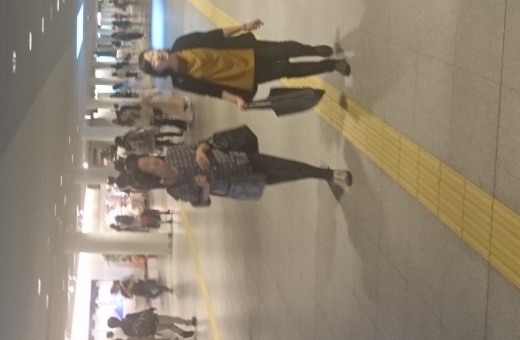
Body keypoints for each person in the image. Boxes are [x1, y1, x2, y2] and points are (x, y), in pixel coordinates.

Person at [140, 18, 348, 109]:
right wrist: (236, 100)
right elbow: (212, 91)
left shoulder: (181, 43)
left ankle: (313, 50)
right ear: (157, 70)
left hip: (246, 50)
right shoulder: (180, 81)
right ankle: (331, 65)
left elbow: (214, 35)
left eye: (152, 53)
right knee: (288, 70)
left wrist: (243, 27)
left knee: (284, 49)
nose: (156, 56)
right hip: (245, 76)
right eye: (152, 61)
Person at [126, 125, 353, 204]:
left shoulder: (174, 153)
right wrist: (204, 186)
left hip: (238, 159)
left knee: (284, 165)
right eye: (149, 166)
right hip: (237, 182)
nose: (154, 161)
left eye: (149, 158)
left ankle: (329, 174)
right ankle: (317, 173)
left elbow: (202, 143)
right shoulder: (175, 189)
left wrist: (201, 149)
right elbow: (202, 202)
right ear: (152, 177)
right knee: (282, 176)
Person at [108, 307, 198, 339]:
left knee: (169, 326)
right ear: (116, 319)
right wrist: (149, 310)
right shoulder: (127, 318)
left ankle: (182, 333)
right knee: (172, 319)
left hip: (153, 329)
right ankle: (189, 323)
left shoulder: (126, 332)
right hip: (154, 320)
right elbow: (139, 314)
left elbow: (139, 336)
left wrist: (150, 334)